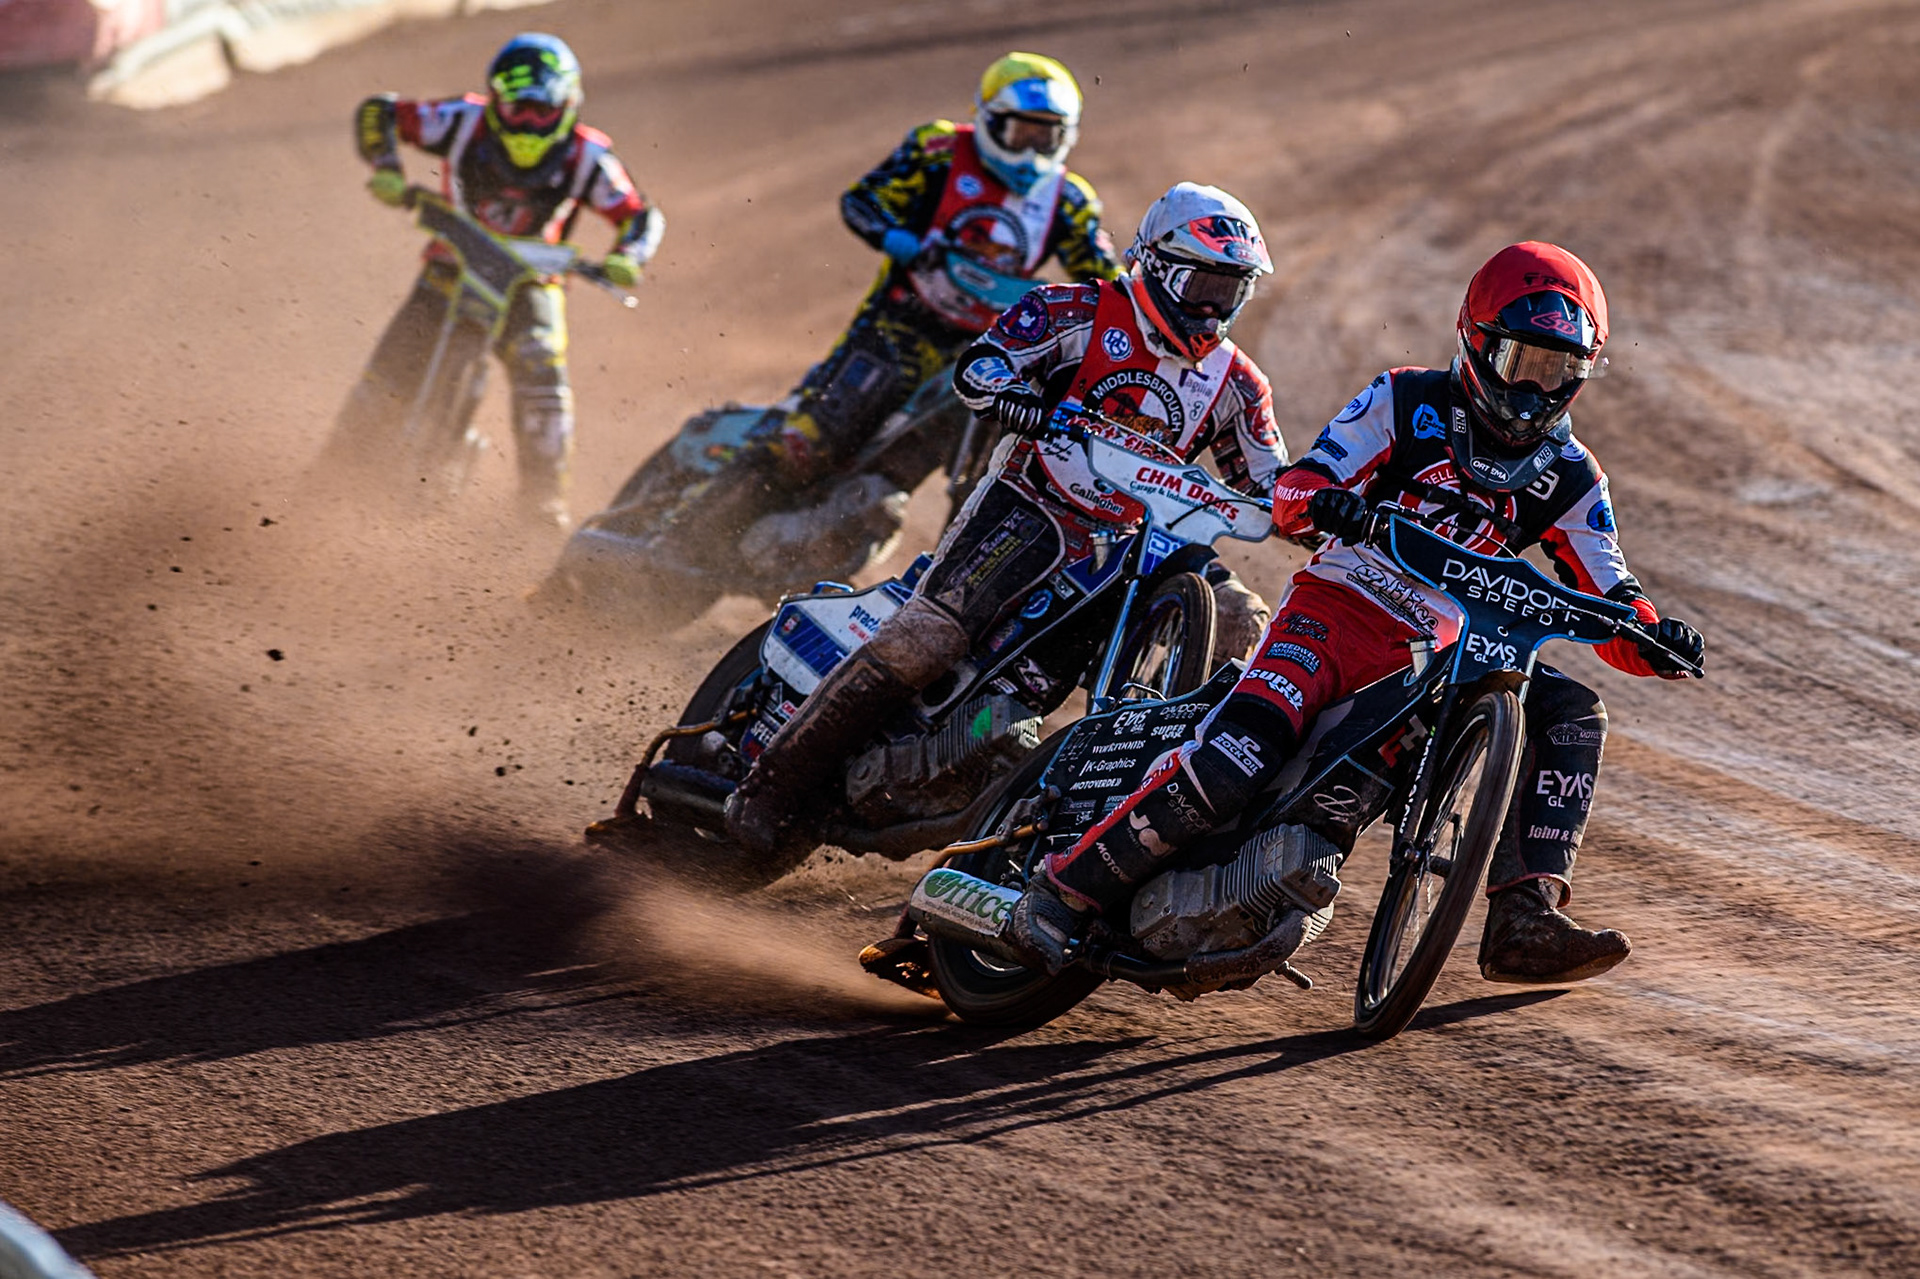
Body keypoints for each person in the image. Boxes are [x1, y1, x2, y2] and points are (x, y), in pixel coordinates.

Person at [1006, 240, 1707, 985]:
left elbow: (1612, 594)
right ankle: (1060, 892)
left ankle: (1523, 918)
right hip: (1339, 611)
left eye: (1557, 373)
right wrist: (1327, 500)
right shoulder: (1406, 399)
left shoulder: (1572, 476)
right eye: (1519, 363)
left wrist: (1653, 636)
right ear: (1475, 341)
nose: (1533, 391)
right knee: (1238, 755)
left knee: (1572, 712)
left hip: (1450, 653)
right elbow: (1295, 490)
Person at [724, 182, 1287, 860]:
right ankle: (769, 785)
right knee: (927, 639)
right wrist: (1021, 403)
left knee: (1240, 618)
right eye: (1203, 284)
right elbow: (982, 365)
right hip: (1032, 502)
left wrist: (1321, 505)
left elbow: (1270, 478)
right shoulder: (1076, 310)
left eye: (1230, 292)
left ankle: (1178, 795)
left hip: (1138, 539)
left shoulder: (1237, 381)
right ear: (1160, 266)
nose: (1211, 308)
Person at [743, 52, 1121, 520]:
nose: (1031, 150)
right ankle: (695, 529)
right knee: (807, 441)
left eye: (1046, 136)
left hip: (991, 353)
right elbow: (862, 200)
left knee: (986, 472)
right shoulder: (938, 150)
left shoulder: (1069, 200)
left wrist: (1128, 312)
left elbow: (1102, 278)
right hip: (900, 325)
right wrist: (896, 238)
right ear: (989, 120)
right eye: (1021, 133)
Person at [341, 33, 664, 526]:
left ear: (568, 105)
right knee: (384, 377)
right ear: (495, 101)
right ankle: (334, 475)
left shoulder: (587, 157)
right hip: (452, 263)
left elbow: (640, 215)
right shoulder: (463, 120)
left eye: (542, 109)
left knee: (544, 377)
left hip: (529, 282)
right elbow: (378, 111)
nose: (529, 122)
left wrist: (628, 256)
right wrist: (386, 166)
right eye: (517, 108)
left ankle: (543, 503)